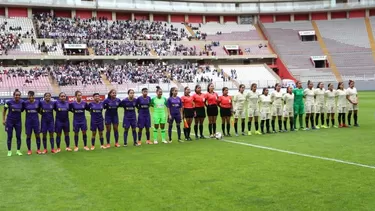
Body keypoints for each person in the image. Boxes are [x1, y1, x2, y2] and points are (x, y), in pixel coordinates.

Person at [3, 89, 23, 156]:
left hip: (18, 122)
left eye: (19, 95)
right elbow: (4, 111)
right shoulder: (9, 102)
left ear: (20, 96)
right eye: (16, 95)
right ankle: (9, 151)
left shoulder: (22, 102)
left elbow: (23, 110)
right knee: (9, 136)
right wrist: (3, 119)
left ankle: (18, 151)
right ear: (14, 95)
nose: (17, 96)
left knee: (18, 136)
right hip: (10, 121)